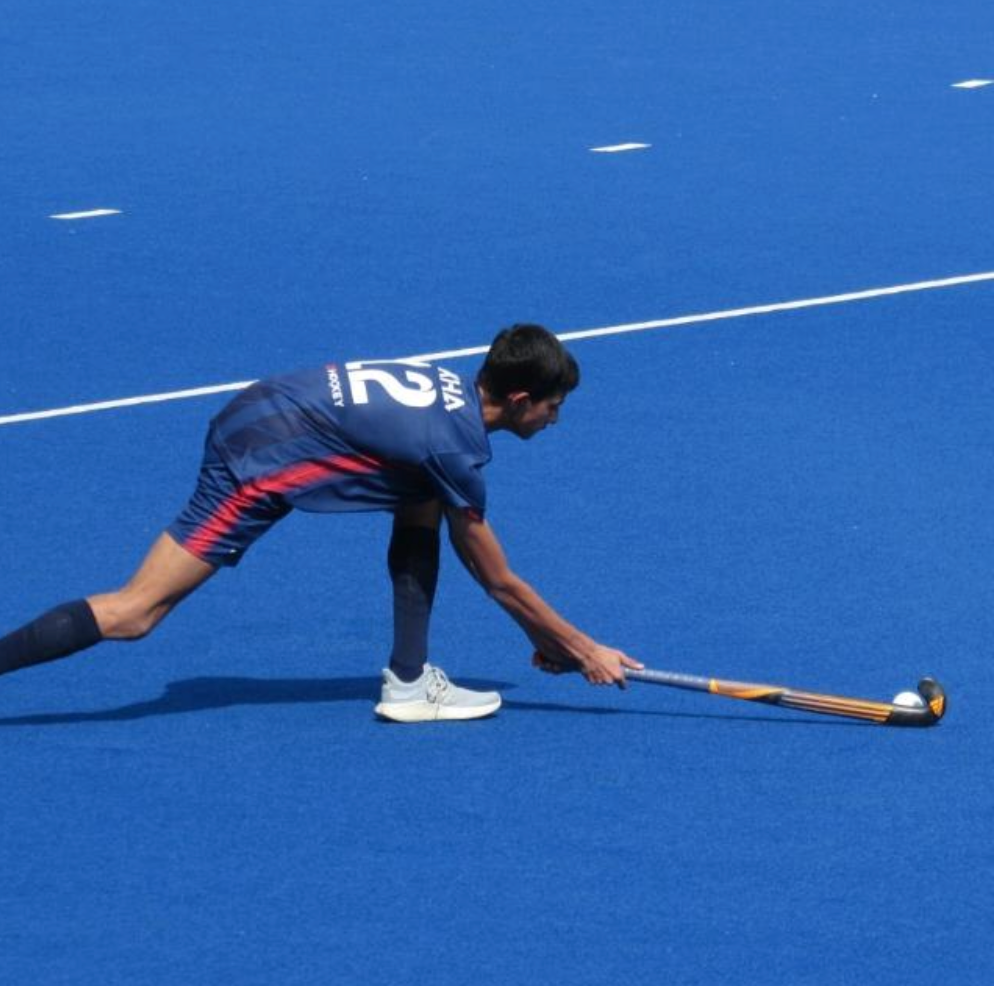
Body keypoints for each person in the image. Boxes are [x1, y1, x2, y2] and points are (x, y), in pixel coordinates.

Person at [0, 324, 642, 722]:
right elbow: (498, 581)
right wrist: (584, 650)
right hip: (256, 455)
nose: (556, 421)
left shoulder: (448, 396)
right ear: (522, 400)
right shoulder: (455, 450)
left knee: (418, 500)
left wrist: (552, 641)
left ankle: (410, 681)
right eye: (553, 408)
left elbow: (426, 508)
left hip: (262, 414)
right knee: (134, 613)